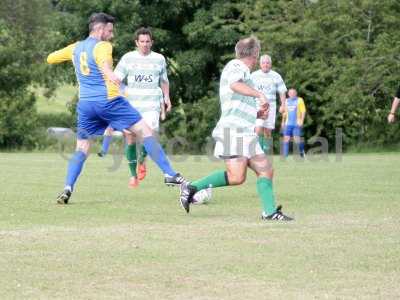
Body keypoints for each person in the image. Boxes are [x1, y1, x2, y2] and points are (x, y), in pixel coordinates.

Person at [46, 12, 185, 204]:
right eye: (110, 30)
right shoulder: (103, 46)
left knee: (82, 148)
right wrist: (114, 79)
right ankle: (169, 174)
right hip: (109, 101)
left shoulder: (75, 48)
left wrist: (74, 56)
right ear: (100, 29)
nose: (112, 34)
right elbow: (104, 66)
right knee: (145, 132)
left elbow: (51, 58)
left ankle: (67, 187)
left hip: (86, 104)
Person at [179, 36, 293, 221]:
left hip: (244, 132)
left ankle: (270, 212)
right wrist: (260, 94)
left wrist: (257, 114)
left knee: (261, 171)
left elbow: (236, 102)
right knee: (238, 176)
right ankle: (192, 187)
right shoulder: (236, 66)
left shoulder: (245, 75)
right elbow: (234, 84)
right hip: (233, 131)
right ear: (255, 53)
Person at [99, 27, 172, 188]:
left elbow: (164, 81)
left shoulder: (159, 59)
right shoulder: (128, 58)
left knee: (150, 134)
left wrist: (166, 97)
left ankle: (142, 159)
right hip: (132, 104)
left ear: (152, 42)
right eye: (142, 42)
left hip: (151, 105)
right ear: (136, 43)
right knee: (131, 137)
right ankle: (133, 176)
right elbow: (115, 79)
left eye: (148, 41)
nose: (145, 44)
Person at [250, 54, 287, 154]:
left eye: (267, 63)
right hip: (258, 105)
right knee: (257, 128)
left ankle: (266, 152)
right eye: (263, 63)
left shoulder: (276, 76)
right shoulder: (254, 75)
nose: (265, 64)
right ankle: (255, 152)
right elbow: (247, 89)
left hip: (271, 106)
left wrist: (283, 105)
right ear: (260, 64)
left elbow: (282, 91)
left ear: (270, 64)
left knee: (267, 131)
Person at [281, 88, 306, 158]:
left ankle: (301, 151)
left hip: (296, 124)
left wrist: (302, 121)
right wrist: (282, 122)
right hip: (287, 124)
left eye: (293, 93)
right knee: (286, 139)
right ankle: (285, 156)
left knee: (297, 140)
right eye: (290, 93)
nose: (291, 94)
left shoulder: (299, 100)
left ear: (296, 93)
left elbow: (303, 111)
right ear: (288, 94)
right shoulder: (286, 101)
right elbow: (284, 113)